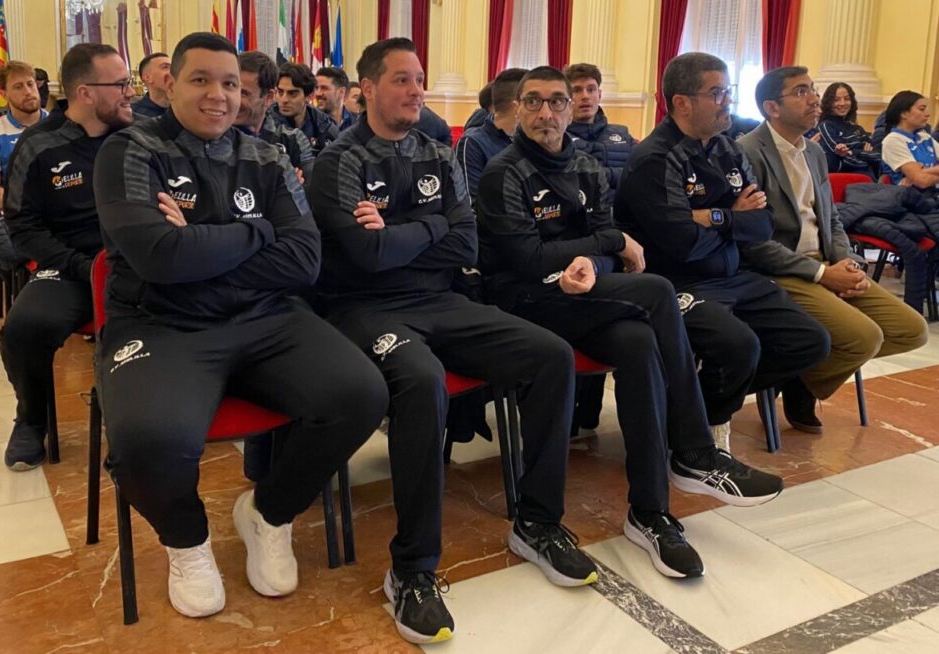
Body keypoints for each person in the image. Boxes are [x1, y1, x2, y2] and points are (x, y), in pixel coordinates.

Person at [308, 37, 597, 645]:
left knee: (549, 355)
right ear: (366, 90)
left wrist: (408, 232)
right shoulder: (340, 161)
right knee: (420, 380)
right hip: (361, 308)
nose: (416, 91)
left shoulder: (437, 153)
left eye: (419, 80)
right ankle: (412, 570)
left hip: (440, 299)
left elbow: (464, 244)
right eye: (401, 80)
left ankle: (538, 524)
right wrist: (428, 230)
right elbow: (365, 254)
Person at [92, 32, 388, 620]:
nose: (218, 95)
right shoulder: (130, 151)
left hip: (266, 318)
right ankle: (187, 541)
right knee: (148, 442)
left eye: (230, 83)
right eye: (200, 79)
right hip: (161, 324)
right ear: (170, 84)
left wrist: (195, 244)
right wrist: (257, 233)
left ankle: (269, 513)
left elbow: (305, 260)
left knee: (361, 393)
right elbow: (156, 258)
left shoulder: (267, 156)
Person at [477, 65, 783, 580]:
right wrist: (610, 247)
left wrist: (592, 262)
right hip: (522, 300)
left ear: (572, 109)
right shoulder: (503, 172)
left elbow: (598, 235)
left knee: (640, 343)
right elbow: (528, 258)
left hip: (584, 294)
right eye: (533, 102)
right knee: (659, 290)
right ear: (516, 110)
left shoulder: (586, 164)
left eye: (557, 102)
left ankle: (650, 511)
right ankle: (692, 451)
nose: (545, 113)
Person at [615, 52, 830, 450]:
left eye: (727, 91)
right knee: (738, 345)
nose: (727, 101)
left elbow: (764, 224)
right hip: (678, 282)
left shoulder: (726, 149)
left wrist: (712, 217)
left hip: (734, 275)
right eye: (717, 93)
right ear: (682, 102)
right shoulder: (655, 159)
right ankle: (704, 428)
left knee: (811, 341)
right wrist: (733, 217)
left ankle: (697, 402)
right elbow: (683, 244)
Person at [739, 67, 928, 432]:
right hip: (782, 271)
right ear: (772, 107)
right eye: (800, 92)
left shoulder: (813, 152)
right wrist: (824, 274)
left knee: (911, 329)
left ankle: (800, 377)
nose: (813, 99)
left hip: (827, 262)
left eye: (812, 89)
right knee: (864, 336)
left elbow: (833, 220)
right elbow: (753, 242)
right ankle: (796, 379)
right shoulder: (747, 152)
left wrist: (846, 260)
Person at [0, 43, 135, 470]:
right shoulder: (39, 145)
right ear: (86, 93)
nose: (129, 92)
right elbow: (21, 226)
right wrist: (79, 265)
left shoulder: (137, 136)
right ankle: (30, 418)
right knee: (24, 328)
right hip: (71, 267)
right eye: (120, 84)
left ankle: (148, 425)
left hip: (139, 264)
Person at [0, 61, 46, 209]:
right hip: (17, 214)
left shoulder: (62, 126)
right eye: (18, 87)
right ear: (4, 94)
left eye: (30, 84)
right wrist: (33, 206)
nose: (28, 92)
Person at [236, 51, 314, 181]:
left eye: (244, 93)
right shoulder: (214, 137)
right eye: (231, 89)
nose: (234, 100)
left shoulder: (292, 139)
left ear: (269, 97)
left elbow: (310, 187)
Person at [564, 62, 637, 195]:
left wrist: (602, 174)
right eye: (577, 90)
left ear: (600, 95)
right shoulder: (559, 139)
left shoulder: (623, 134)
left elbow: (641, 174)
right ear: (566, 98)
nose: (585, 96)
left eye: (591, 89)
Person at [455, 67, 525, 201]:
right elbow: (470, 205)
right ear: (517, 107)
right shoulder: (473, 143)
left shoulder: (533, 141)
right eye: (533, 102)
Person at [270, 61, 339, 154]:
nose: (284, 100)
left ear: (309, 96)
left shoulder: (323, 124)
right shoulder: (266, 125)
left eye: (292, 94)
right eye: (280, 92)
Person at [815, 82, 880, 178]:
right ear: (828, 103)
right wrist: (865, 156)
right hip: (845, 184)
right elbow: (838, 162)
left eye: (847, 99)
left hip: (870, 181)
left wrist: (853, 152)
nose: (842, 103)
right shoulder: (825, 126)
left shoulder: (857, 128)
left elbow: (878, 156)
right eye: (836, 100)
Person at [881, 90, 939, 189]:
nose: (928, 114)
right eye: (922, 109)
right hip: (912, 199)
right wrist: (922, 174)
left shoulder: (925, 137)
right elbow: (921, 181)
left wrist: (924, 171)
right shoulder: (893, 140)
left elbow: (919, 176)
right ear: (904, 113)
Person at [314, 65, 356, 130]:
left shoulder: (357, 123)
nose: (318, 93)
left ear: (341, 92)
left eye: (324, 88)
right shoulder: (309, 124)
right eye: (316, 88)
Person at [132, 52, 172, 118]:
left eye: (174, 67)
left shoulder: (186, 111)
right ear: (148, 78)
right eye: (165, 67)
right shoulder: (133, 115)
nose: (174, 71)